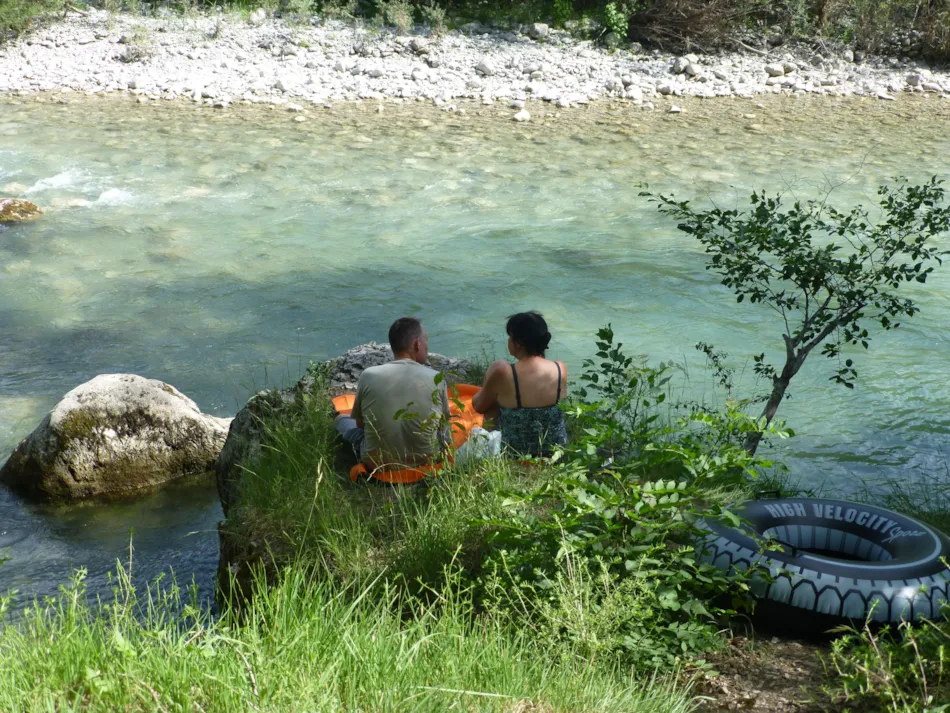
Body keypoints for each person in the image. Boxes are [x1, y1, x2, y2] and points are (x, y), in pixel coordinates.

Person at [335, 317, 450, 470]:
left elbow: (360, 425)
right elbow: (444, 431)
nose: (427, 347)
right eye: (426, 341)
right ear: (417, 344)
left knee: (342, 419)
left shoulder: (368, 375)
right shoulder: (437, 379)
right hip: (425, 460)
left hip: (376, 463)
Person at [472, 311, 568, 457]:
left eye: (510, 337)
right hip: (555, 452)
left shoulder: (504, 372)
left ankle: (489, 450)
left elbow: (478, 406)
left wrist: (490, 376)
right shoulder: (560, 368)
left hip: (514, 452)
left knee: (493, 401)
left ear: (517, 343)